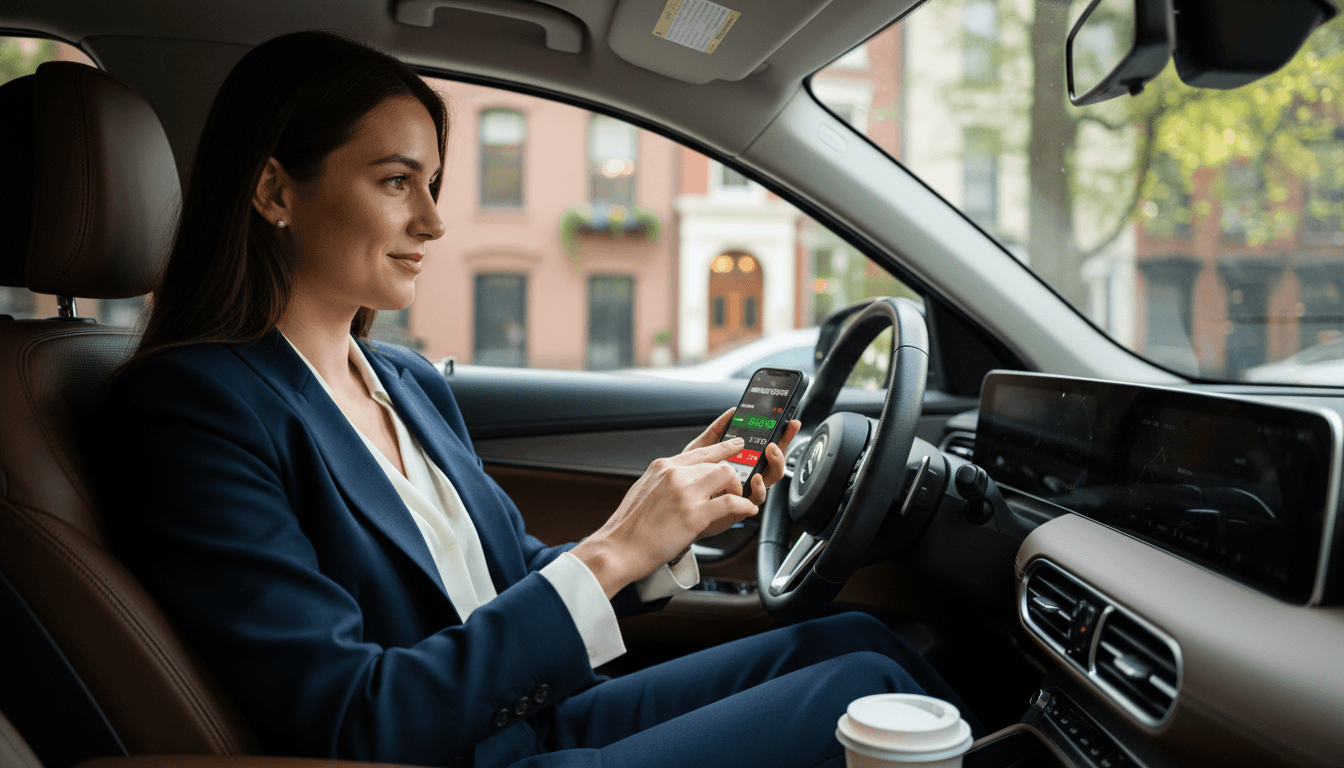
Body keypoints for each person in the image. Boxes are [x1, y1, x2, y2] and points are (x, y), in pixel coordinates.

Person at [88, 31, 977, 768]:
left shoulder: (397, 380)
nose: (433, 222)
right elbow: (355, 719)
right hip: (462, 754)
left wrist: (660, 534)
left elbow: (509, 582)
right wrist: (617, 549)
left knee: (857, 642)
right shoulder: (194, 409)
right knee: (866, 698)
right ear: (276, 190)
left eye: (432, 184)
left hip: (530, 717)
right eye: (397, 181)